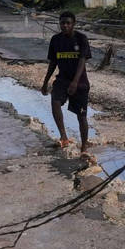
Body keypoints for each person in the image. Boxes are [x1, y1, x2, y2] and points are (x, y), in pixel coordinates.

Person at [41, 10, 91, 152]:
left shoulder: (81, 39)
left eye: (68, 23)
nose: (65, 26)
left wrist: (75, 82)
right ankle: (64, 137)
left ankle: (84, 145)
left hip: (80, 82)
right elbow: (53, 63)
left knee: (81, 116)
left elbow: (82, 61)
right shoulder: (56, 40)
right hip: (62, 80)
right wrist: (45, 82)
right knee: (55, 102)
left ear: (73, 24)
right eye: (62, 23)